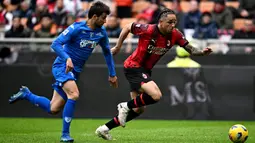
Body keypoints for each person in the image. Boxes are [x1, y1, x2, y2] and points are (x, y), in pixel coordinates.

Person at [8, 1, 118, 142]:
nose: (105, 21)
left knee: (53, 108)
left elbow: (107, 53)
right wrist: (67, 58)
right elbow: (55, 44)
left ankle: (27, 94)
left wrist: (112, 74)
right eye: (103, 17)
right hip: (62, 66)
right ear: (94, 16)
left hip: (75, 71)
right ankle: (65, 135)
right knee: (74, 94)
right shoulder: (76, 28)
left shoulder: (101, 32)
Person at [95, 8, 212, 140]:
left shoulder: (176, 34)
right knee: (156, 95)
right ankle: (124, 106)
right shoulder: (149, 29)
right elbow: (128, 27)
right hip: (133, 66)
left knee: (138, 109)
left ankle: (104, 129)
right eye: (170, 22)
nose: (173, 25)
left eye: (175, 22)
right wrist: (118, 46)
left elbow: (190, 49)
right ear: (161, 22)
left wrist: (201, 52)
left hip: (145, 70)